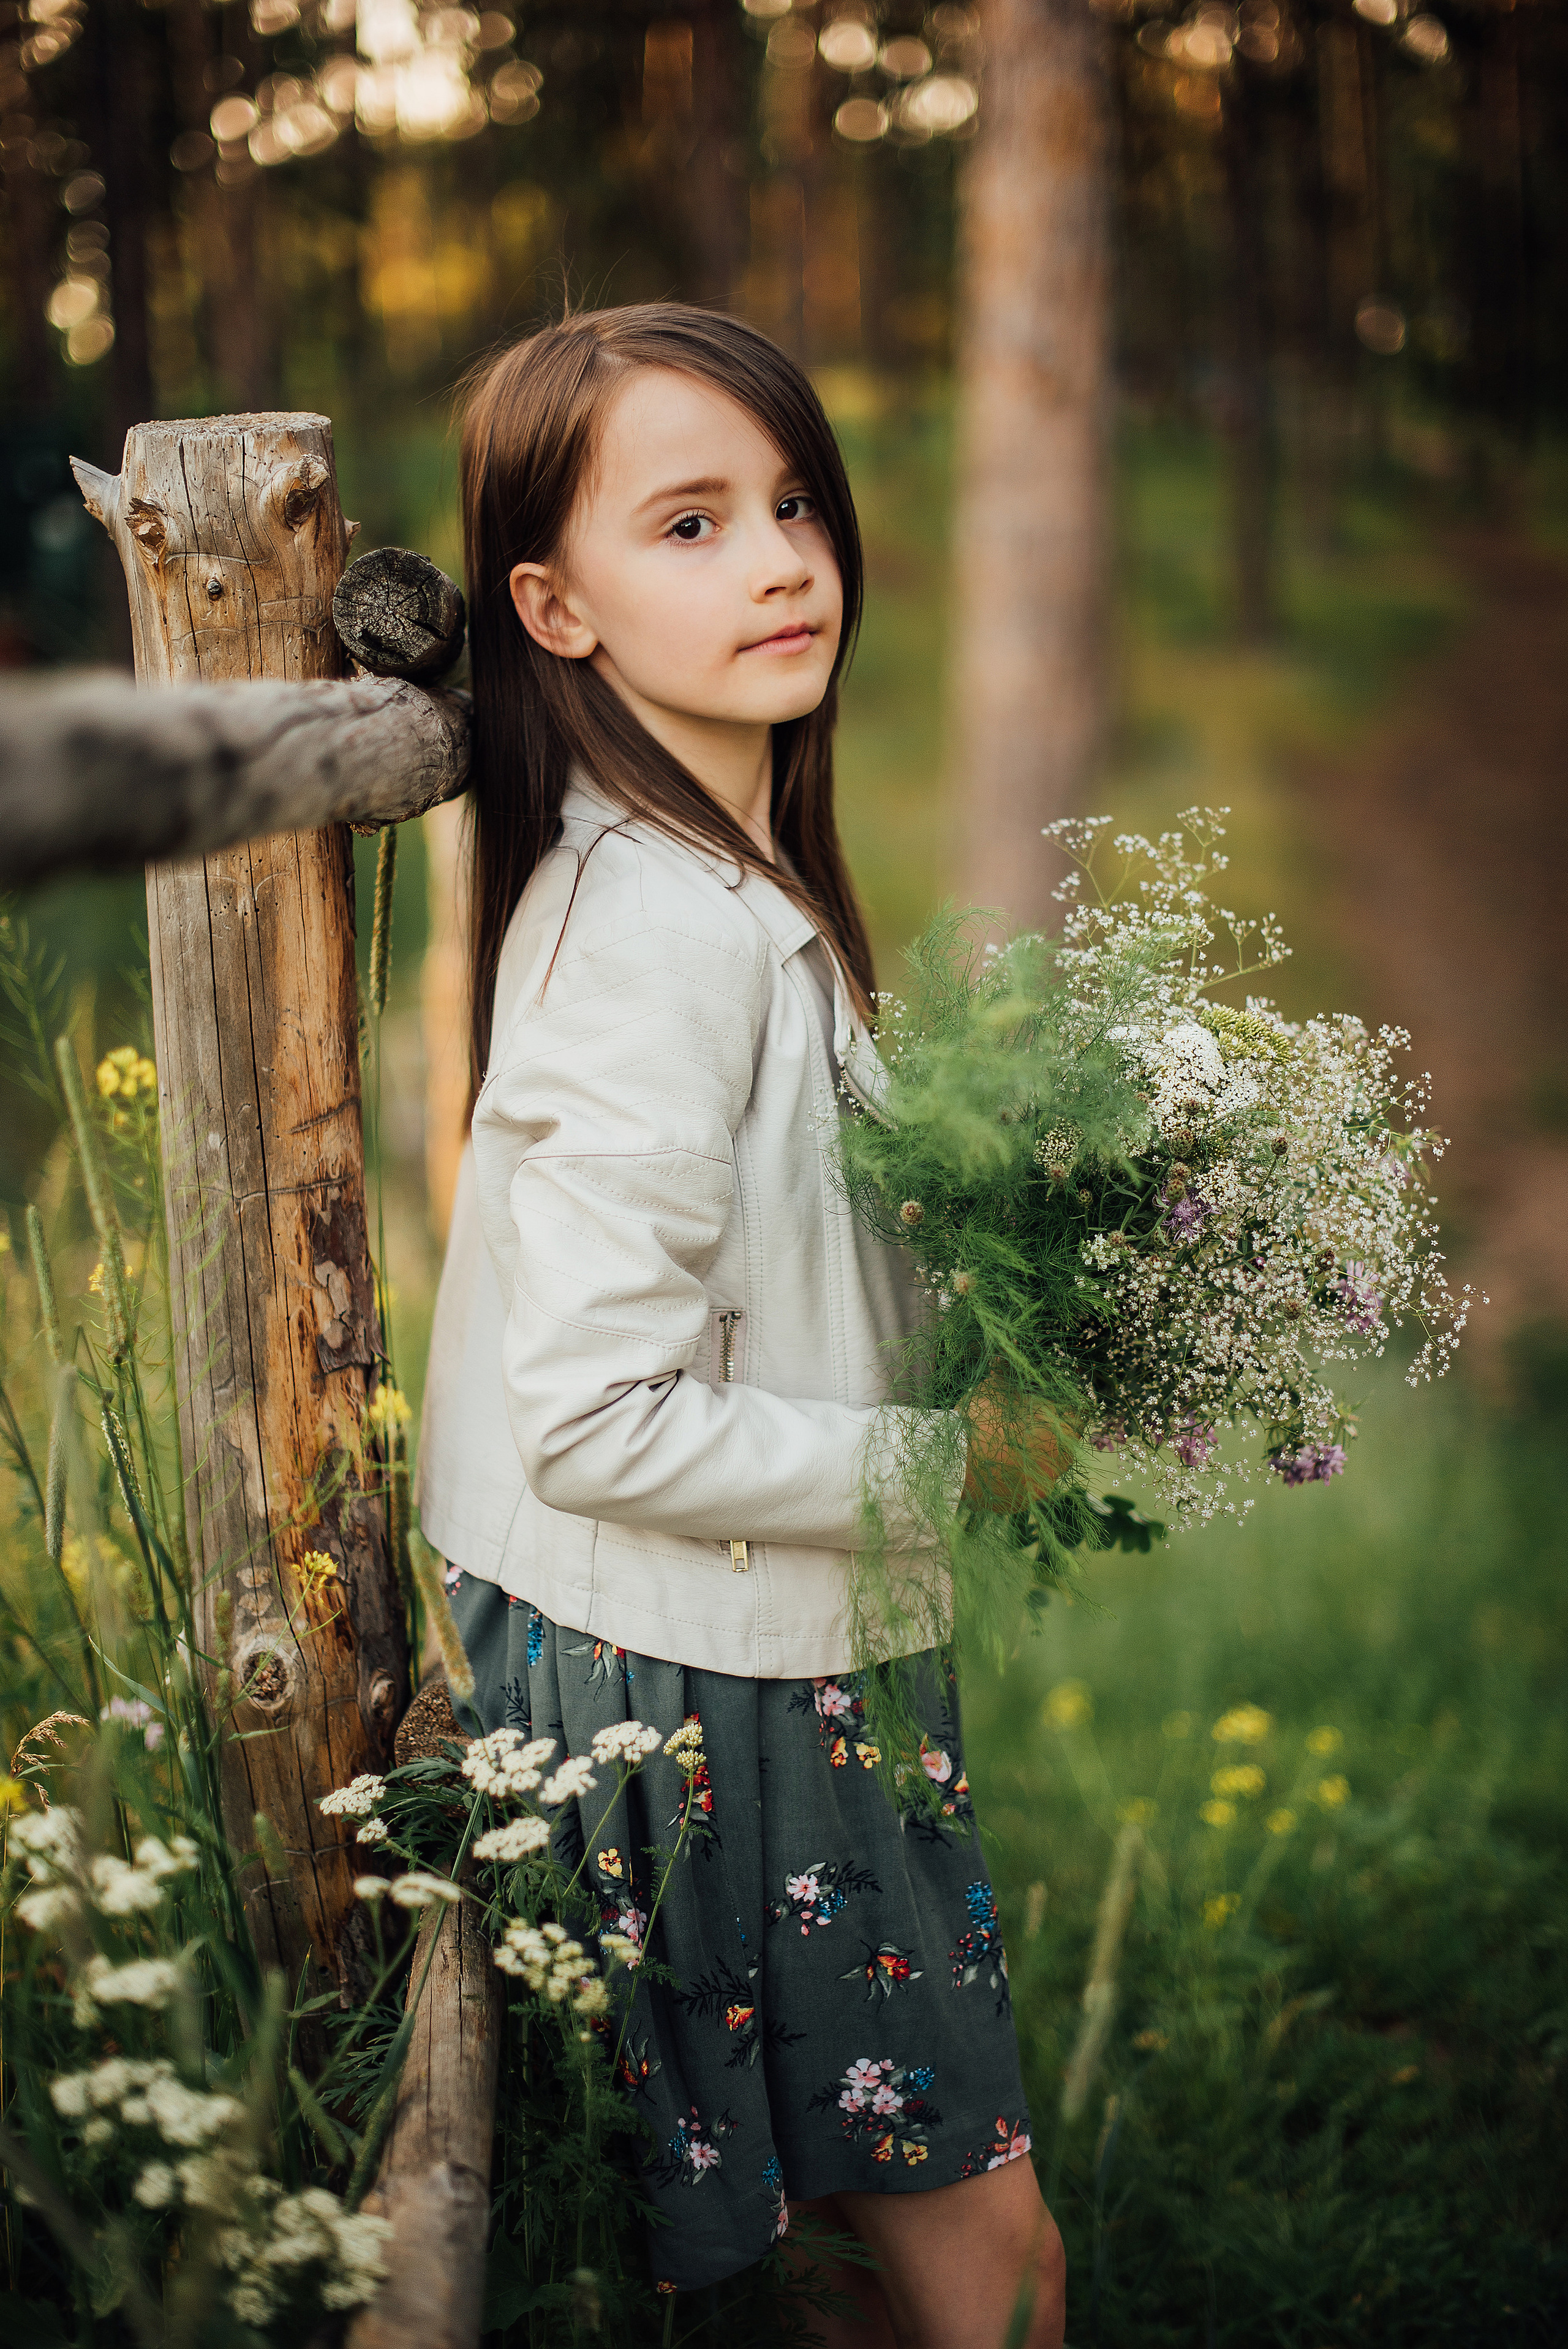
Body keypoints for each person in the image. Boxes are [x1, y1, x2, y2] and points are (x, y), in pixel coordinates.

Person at [416, 303, 1066, 2349]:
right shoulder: (652, 938)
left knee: (862, 2271)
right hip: (706, 1679)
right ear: (555, 607)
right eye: (690, 524)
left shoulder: (736, 880)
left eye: (794, 504)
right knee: (992, 2271)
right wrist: (953, 1464)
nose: (783, 562)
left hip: (764, 1637)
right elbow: (592, 1413)